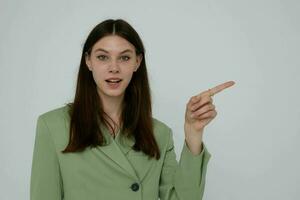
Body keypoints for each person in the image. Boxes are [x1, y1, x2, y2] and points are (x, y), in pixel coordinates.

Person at [30, 18, 235, 200]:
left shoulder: (159, 134)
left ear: (137, 62)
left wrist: (193, 133)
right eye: (103, 57)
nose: (114, 67)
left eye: (124, 57)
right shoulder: (53, 126)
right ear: (88, 61)